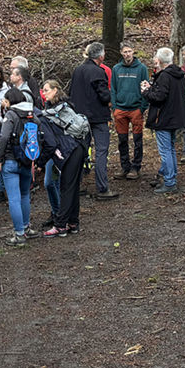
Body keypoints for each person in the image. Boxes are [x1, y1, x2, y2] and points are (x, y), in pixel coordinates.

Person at [39, 80, 88, 238]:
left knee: (66, 188)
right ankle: (73, 223)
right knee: (72, 187)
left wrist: (39, 163)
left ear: (55, 90)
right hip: (79, 147)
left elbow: (51, 143)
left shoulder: (49, 113)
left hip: (70, 150)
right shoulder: (67, 105)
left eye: (46, 90)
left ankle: (60, 225)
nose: (44, 93)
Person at [70, 42, 117, 200]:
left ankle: (77, 185)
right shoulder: (98, 71)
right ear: (101, 56)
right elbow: (104, 95)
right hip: (98, 117)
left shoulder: (78, 70)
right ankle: (102, 188)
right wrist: (110, 99)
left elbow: (72, 93)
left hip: (80, 118)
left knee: (80, 151)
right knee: (101, 150)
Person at [142, 48, 185, 194]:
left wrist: (146, 92)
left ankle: (169, 181)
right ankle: (170, 178)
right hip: (175, 117)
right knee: (171, 149)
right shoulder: (179, 74)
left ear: (159, 60)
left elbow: (159, 98)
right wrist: (152, 88)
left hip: (163, 119)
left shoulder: (164, 76)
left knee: (166, 151)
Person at [0, 87, 36, 242]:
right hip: (27, 160)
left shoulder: (11, 115)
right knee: (25, 194)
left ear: (9, 101)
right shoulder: (31, 114)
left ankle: (19, 234)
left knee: (13, 198)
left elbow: (4, 137)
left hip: (11, 161)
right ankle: (26, 226)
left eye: (5, 100)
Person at [110, 45, 148, 180]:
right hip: (120, 109)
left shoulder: (141, 68)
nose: (127, 54)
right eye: (125, 52)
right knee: (122, 140)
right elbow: (113, 89)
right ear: (121, 53)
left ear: (133, 52)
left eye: (129, 51)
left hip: (136, 109)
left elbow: (145, 87)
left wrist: (142, 107)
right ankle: (124, 166)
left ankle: (136, 167)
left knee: (137, 139)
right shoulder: (116, 69)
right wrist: (114, 107)